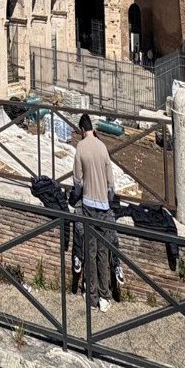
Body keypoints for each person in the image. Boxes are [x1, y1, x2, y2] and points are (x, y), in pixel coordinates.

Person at [72, 113, 116, 313]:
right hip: (105, 207)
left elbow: (78, 182)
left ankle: (92, 296)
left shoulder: (81, 147)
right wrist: (108, 201)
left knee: (90, 251)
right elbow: (111, 183)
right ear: (93, 129)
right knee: (103, 252)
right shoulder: (102, 147)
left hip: (89, 205)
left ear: (82, 130)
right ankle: (106, 296)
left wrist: (77, 197)